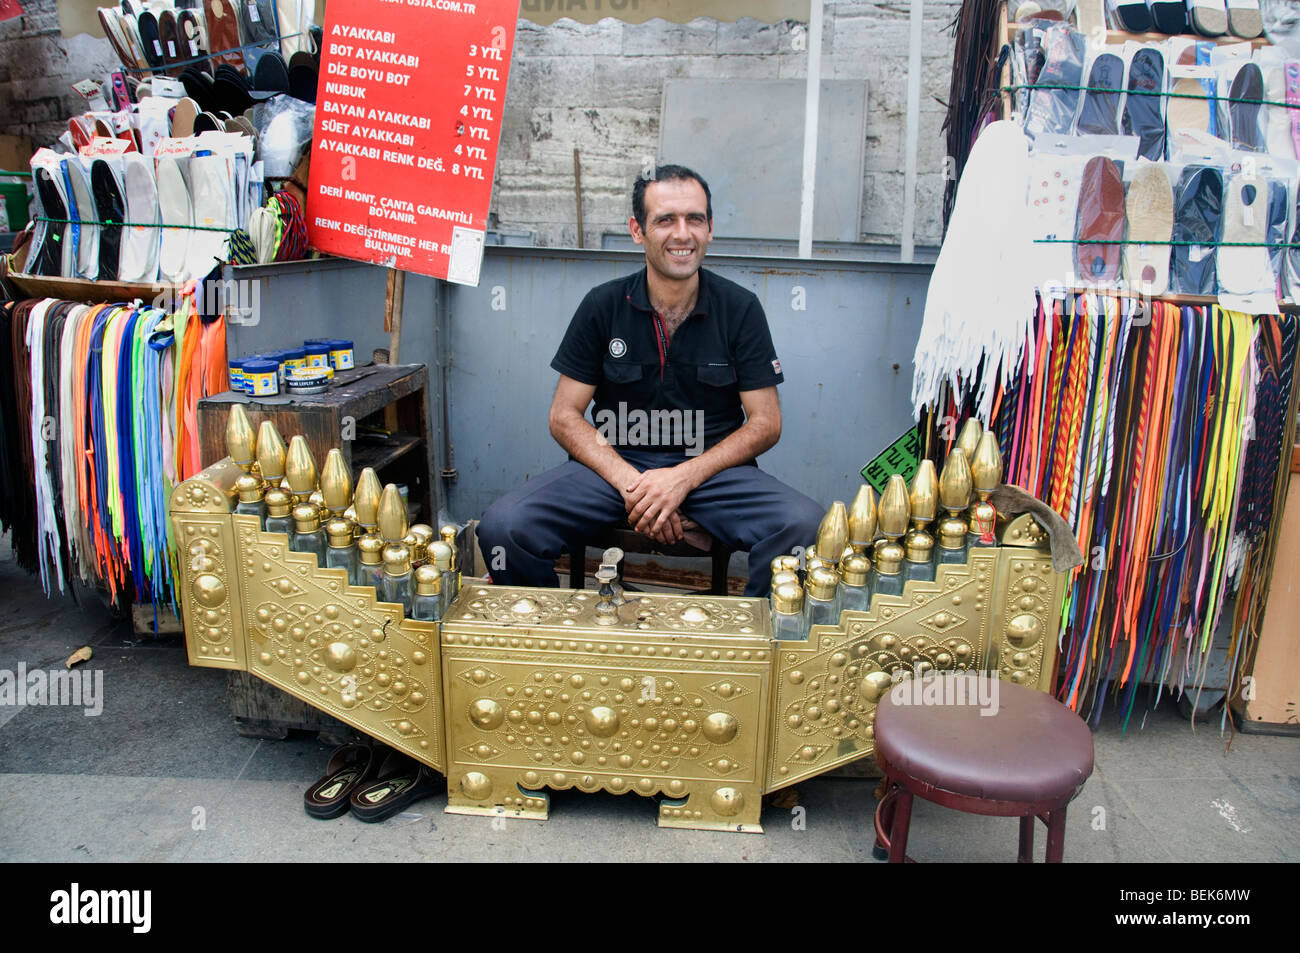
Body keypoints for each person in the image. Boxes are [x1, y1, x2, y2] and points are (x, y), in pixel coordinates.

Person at [476, 164, 824, 596]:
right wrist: (636, 488)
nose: (683, 234)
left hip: (712, 474)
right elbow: (564, 415)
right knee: (504, 527)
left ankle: (753, 653)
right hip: (610, 469)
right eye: (665, 220)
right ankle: (554, 643)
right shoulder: (602, 305)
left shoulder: (740, 309)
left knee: (806, 528)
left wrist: (681, 480)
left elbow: (765, 422)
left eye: (694, 219)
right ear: (637, 231)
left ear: (710, 228)